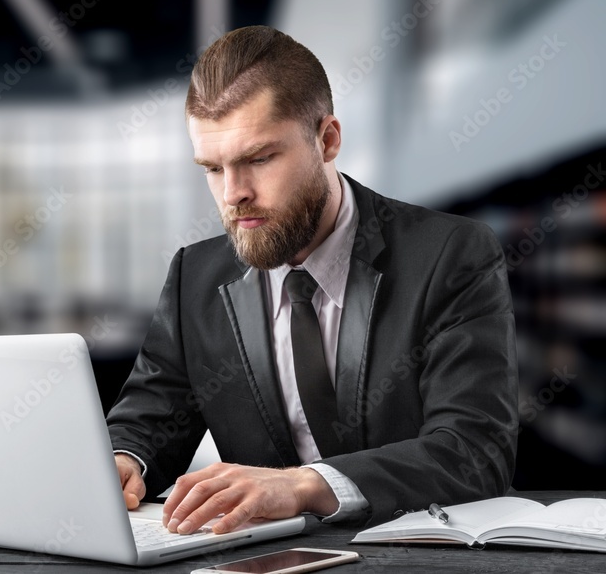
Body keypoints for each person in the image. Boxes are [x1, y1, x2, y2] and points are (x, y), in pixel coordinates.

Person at [105, 26, 518, 533]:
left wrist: (306, 484)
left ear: (327, 140)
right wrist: (125, 461)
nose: (233, 193)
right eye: (212, 168)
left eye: (258, 159)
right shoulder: (195, 275)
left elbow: (475, 452)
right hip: (259, 562)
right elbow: (149, 419)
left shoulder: (451, 256)